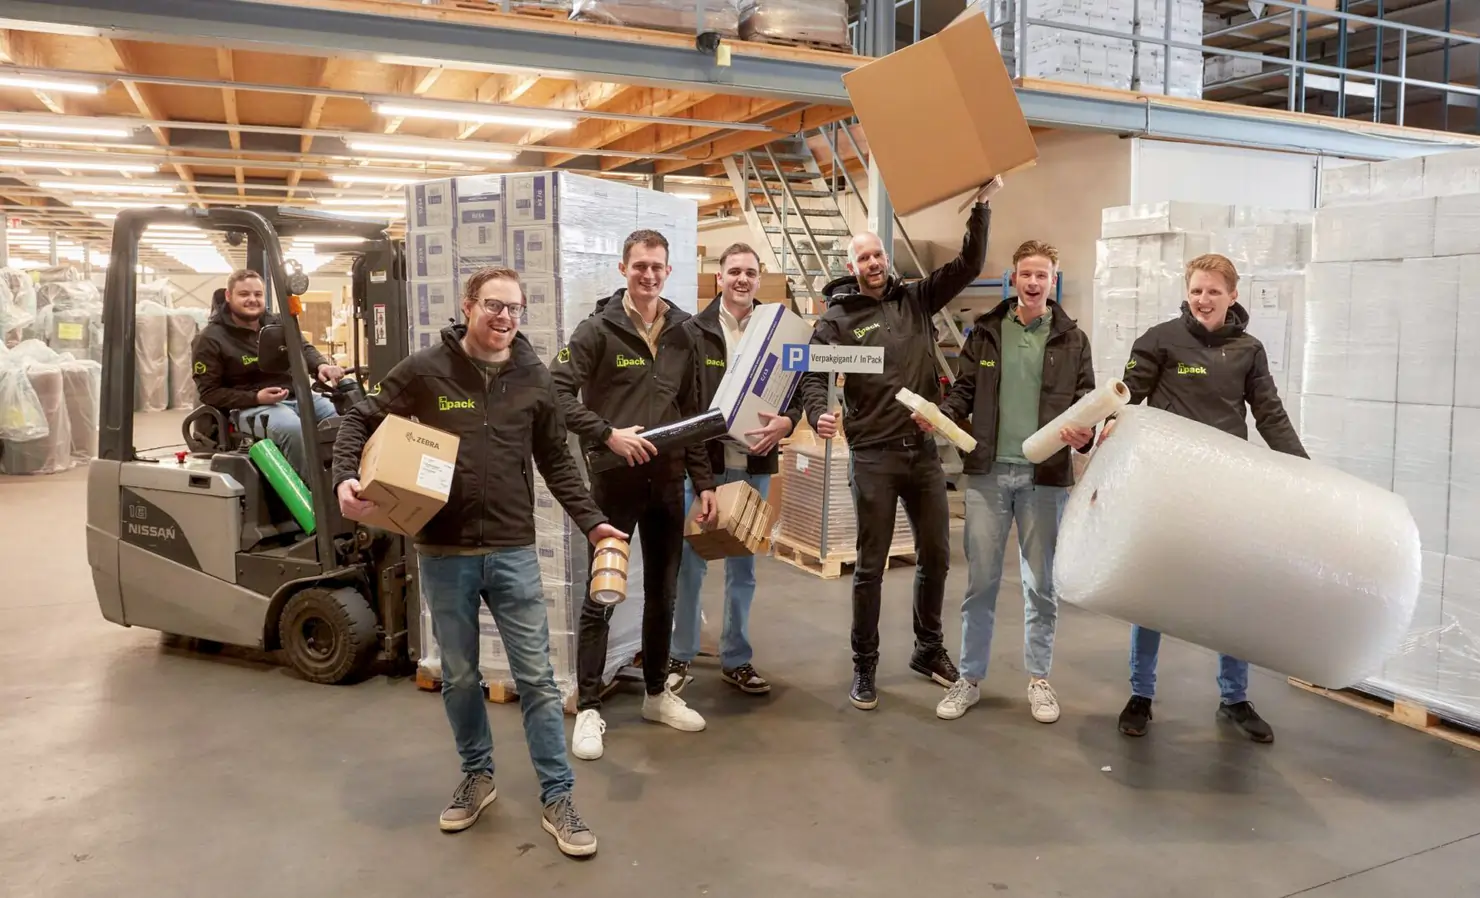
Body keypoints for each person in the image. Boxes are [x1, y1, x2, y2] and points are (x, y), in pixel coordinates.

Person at [331, 266, 618, 856]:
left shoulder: (533, 377)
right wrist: (343, 478)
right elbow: (361, 415)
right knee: (459, 676)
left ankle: (557, 796)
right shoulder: (426, 370)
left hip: (513, 549)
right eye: (494, 305)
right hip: (444, 551)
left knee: (537, 679)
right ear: (468, 306)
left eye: (515, 308)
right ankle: (478, 775)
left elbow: (556, 462)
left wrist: (593, 522)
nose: (505, 317)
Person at [798, 176, 1002, 711]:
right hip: (874, 459)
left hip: (922, 454)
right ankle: (864, 667)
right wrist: (819, 411)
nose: (874, 262)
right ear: (851, 266)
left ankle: (927, 649)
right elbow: (815, 378)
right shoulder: (839, 323)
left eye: (879, 254)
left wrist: (980, 206)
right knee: (870, 568)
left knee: (936, 556)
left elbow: (968, 267)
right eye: (864, 257)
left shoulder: (915, 299)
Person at [1108, 252, 1307, 744]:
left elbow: (1270, 414)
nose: (1203, 299)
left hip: (1225, 488)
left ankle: (1235, 698)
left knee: (1230, 592)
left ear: (1232, 296)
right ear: (1187, 291)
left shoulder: (1249, 349)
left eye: (1214, 291)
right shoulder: (1159, 340)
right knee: (1152, 591)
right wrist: (1102, 428)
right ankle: (1141, 694)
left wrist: (1303, 473)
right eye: (1196, 290)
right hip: (1168, 485)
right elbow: (1126, 398)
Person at [551, 228, 718, 761]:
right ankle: (592, 708)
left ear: (668, 271)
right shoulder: (596, 331)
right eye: (640, 265)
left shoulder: (685, 333)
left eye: (658, 267)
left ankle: (653, 695)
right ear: (623, 268)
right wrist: (606, 434)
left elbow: (694, 415)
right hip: (614, 483)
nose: (649, 275)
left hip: (668, 482)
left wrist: (705, 482)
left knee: (663, 593)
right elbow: (555, 395)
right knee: (603, 593)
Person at [918, 240, 1095, 725]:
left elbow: (1086, 402)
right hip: (989, 475)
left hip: (1045, 477)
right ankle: (969, 678)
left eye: (1043, 275)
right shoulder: (987, 331)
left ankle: (1039, 679)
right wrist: (943, 416)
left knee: (1041, 586)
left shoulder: (1072, 338)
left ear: (1053, 279)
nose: (1034, 283)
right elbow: (965, 390)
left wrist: (1085, 436)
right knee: (981, 583)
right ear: (1013, 279)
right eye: (1026, 274)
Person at [666, 243, 801, 697]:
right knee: (690, 567)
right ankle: (680, 655)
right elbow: (685, 407)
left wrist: (789, 421)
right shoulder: (693, 331)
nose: (742, 279)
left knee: (744, 569)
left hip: (754, 468)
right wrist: (699, 476)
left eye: (750, 273)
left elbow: (799, 388)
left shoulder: (778, 331)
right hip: (704, 469)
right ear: (718, 278)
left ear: (758, 279)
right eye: (734, 272)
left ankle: (736, 658)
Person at [192, 268, 343, 482]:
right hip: (248, 406)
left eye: (258, 294)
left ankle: (341, 481)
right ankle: (312, 495)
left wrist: (321, 366)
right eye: (244, 294)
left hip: (294, 396)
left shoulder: (277, 323)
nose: (252, 300)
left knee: (338, 418)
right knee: (292, 428)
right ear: (228, 296)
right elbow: (209, 392)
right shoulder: (210, 338)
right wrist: (256, 397)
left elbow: (303, 348)